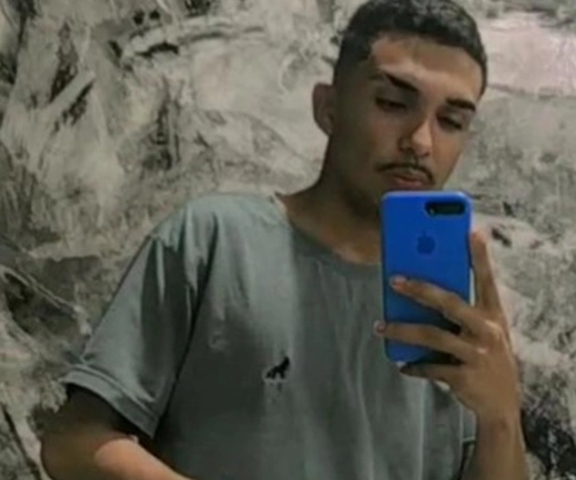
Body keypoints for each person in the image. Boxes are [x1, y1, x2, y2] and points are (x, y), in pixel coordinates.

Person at [40, 0, 530, 479]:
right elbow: (73, 443)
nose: (421, 141)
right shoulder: (214, 241)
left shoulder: (461, 310)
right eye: (392, 103)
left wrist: (502, 417)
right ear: (328, 108)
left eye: (452, 121)